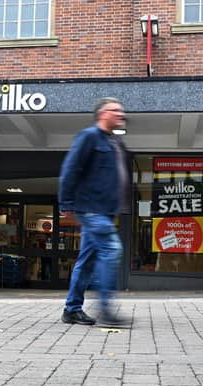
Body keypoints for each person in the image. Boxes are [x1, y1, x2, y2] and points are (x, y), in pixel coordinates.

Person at [58, 97, 131, 327]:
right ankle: (106, 310)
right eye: (115, 110)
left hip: (106, 211)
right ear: (102, 113)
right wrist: (66, 204)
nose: (121, 114)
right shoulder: (89, 136)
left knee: (87, 260)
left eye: (121, 110)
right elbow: (70, 169)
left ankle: (72, 309)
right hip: (91, 209)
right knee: (111, 250)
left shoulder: (114, 143)